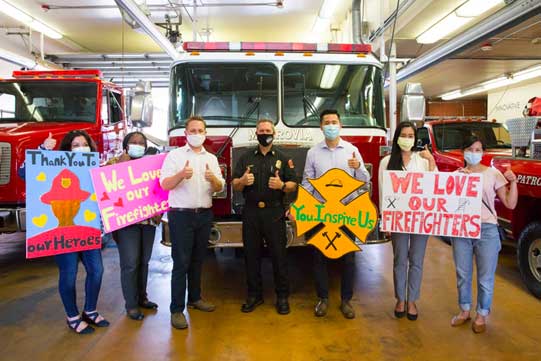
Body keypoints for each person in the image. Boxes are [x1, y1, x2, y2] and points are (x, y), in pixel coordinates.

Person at [302, 109, 370, 319]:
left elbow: (365, 180)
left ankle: (346, 301)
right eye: (327, 122)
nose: (331, 125)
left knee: (348, 259)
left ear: (340, 125)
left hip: (346, 213)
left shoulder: (352, 151)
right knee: (319, 257)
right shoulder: (313, 152)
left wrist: (358, 168)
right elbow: (307, 183)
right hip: (321, 213)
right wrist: (301, 207)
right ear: (321, 127)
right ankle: (322, 299)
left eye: (334, 122)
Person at [159, 115, 225, 330]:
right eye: (193, 131)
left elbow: (219, 187)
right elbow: (165, 185)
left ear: (205, 134)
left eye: (200, 130)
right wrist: (181, 175)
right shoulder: (174, 156)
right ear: (186, 134)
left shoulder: (211, 159)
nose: (197, 134)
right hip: (181, 216)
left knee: (198, 260)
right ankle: (176, 310)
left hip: (204, 215)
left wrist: (213, 179)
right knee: (181, 263)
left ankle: (195, 299)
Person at [450, 135, 517, 333]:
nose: (474, 153)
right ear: (463, 152)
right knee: (463, 273)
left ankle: (481, 315)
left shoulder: (493, 174)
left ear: (483, 152)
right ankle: (464, 310)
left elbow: (510, 203)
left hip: (487, 229)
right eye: (470, 149)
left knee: (485, 277)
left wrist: (513, 183)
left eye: (478, 149)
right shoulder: (457, 175)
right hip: (462, 228)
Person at [232, 119, 297, 315]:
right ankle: (254, 295)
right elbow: (234, 184)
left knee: (279, 256)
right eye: (261, 130)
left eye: (268, 130)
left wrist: (283, 186)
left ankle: (282, 297)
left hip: (274, 213)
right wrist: (242, 181)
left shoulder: (284, 158)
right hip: (251, 212)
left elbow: (294, 183)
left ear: (274, 133)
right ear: (256, 133)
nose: (264, 133)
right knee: (251, 256)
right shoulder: (245, 158)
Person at [378, 121, 437, 321]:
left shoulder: (422, 160)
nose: (407, 139)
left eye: (411, 135)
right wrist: (385, 221)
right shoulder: (386, 162)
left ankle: (412, 300)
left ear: (415, 138)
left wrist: (431, 161)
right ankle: (400, 299)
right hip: (398, 221)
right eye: (404, 135)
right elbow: (383, 192)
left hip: (420, 219)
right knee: (400, 260)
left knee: (417, 261)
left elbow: (436, 186)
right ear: (397, 138)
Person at [54, 130, 109, 334]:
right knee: (68, 274)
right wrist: (43, 150)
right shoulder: (54, 166)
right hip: (64, 231)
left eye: (83, 144)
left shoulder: (97, 168)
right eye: (74, 145)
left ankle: (90, 311)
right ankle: (72, 317)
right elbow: (24, 173)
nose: (79, 148)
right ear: (67, 149)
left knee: (97, 270)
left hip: (89, 229)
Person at [107, 131, 160, 321]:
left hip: (148, 221)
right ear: (126, 145)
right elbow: (105, 187)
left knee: (144, 262)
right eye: (133, 142)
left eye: (141, 142)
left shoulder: (151, 164)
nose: (137, 145)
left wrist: (158, 211)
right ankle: (131, 304)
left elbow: (158, 188)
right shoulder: (114, 162)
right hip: (126, 222)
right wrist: (123, 163)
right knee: (130, 263)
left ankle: (142, 298)